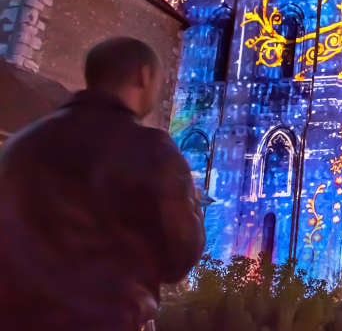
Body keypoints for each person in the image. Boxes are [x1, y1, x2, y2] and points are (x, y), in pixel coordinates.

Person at [0, 37, 205, 331]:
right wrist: (191, 204)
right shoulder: (151, 151)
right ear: (143, 76)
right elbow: (180, 254)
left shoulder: (20, 145)